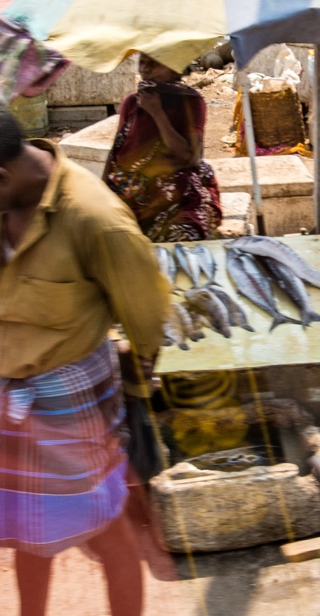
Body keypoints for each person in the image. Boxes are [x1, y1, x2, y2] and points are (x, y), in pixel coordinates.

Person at [0, 107, 167, 616]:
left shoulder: (96, 218)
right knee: (29, 533)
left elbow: (146, 320)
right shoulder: (7, 203)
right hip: (12, 397)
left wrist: (134, 402)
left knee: (106, 533)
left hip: (73, 404)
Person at [102, 54, 221, 242]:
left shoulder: (191, 102)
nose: (145, 69)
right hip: (130, 187)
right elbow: (117, 149)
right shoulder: (132, 102)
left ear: (174, 68)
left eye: (153, 64)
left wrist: (157, 113)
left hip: (173, 186)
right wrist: (103, 191)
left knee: (185, 235)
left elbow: (190, 157)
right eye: (142, 63)